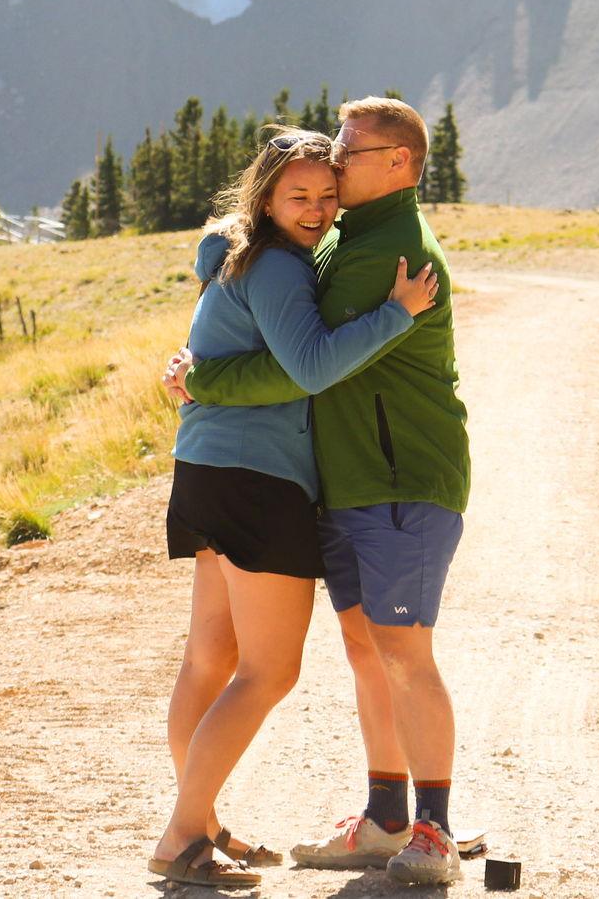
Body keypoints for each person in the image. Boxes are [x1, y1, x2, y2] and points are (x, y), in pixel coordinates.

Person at [166, 97, 471, 886]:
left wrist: (204, 375)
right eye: (303, 184)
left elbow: (304, 354)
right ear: (266, 198)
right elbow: (298, 343)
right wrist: (208, 366)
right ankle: (198, 831)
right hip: (289, 479)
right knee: (303, 663)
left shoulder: (380, 248)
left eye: (346, 156)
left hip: (360, 476)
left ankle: (418, 827)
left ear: (397, 163)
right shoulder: (318, 243)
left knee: (363, 652)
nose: (330, 172)